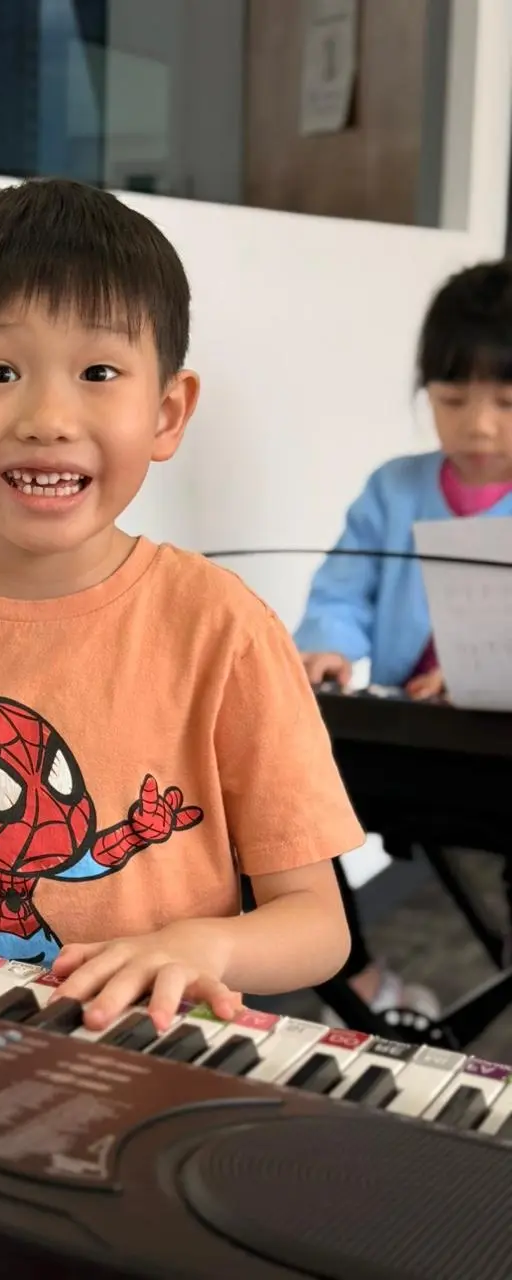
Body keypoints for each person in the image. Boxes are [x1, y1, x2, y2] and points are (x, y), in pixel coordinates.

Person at [0, 176, 363, 1038]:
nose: (48, 417)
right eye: (0, 372)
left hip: (140, 1064)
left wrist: (199, 945)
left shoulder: (222, 629)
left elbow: (318, 926)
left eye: (98, 372)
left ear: (167, 413)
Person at [295, 259, 512, 1021]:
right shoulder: (394, 488)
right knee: (278, 796)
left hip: (500, 759)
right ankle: (360, 985)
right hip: (405, 743)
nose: (477, 425)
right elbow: (342, 590)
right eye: (452, 400)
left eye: (508, 402)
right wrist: (327, 645)